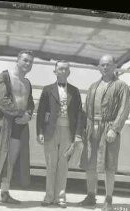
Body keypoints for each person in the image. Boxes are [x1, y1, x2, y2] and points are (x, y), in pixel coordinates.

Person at [0, 50, 35, 210]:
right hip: (5, 122)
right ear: (17, 60)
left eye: (31, 62)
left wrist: (28, 114)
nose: (28, 64)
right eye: (25, 60)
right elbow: (2, 101)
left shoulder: (27, 83)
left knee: (12, 159)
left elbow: (30, 103)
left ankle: (5, 192)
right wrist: (20, 113)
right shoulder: (4, 77)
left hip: (20, 125)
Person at [79, 55, 130, 211]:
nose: (105, 67)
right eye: (102, 65)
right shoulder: (93, 86)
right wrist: (83, 128)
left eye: (108, 64)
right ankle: (90, 195)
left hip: (109, 128)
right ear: (99, 67)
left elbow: (124, 109)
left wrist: (114, 129)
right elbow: (86, 108)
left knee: (109, 165)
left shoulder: (121, 86)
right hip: (91, 126)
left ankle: (108, 199)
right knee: (90, 164)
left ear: (115, 66)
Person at [36, 60, 83, 208]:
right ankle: (49, 197)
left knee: (63, 165)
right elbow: (41, 113)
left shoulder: (75, 91)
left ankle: (61, 197)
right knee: (51, 165)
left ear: (69, 72)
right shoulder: (47, 90)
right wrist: (40, 132)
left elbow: (80, 114)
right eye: (60, 69)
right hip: (51, 131)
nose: (62, 71)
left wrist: (77, 134)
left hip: (68, 132)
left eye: (65, 69)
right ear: (55, 71)